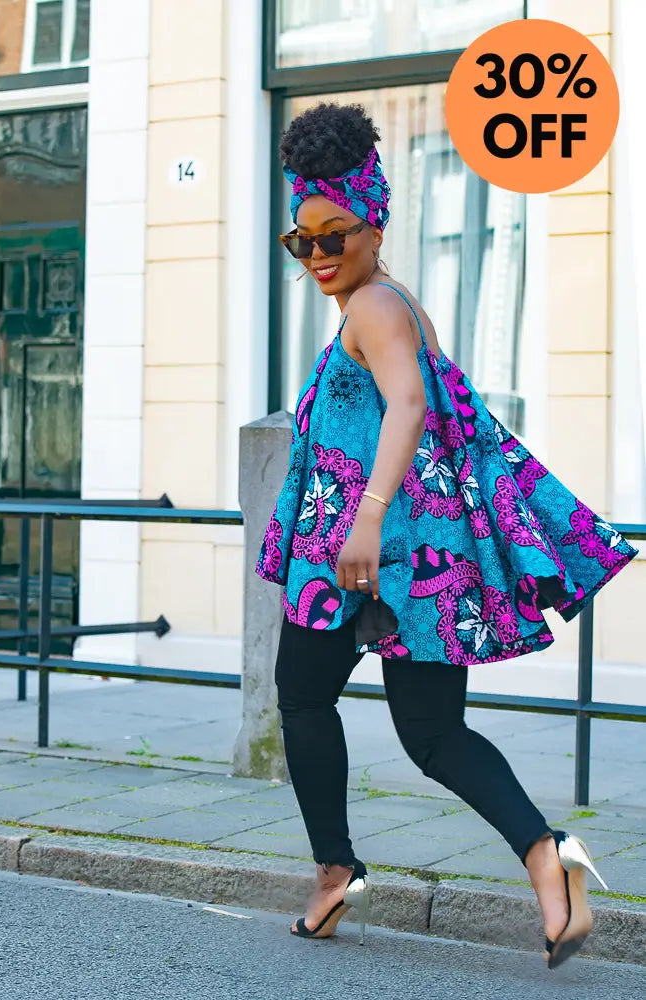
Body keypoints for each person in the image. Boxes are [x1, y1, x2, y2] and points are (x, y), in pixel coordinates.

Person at [254, 102, 638, 968]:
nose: (317, 255)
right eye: (300, 240)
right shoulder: (393, 304)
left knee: (305, 699)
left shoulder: (374, 307)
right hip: (414, 563)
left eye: (334, 236)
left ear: (374, 224)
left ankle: (336, 870)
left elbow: (408, 405)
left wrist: (366, 516)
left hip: (358, 555)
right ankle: (548, 858)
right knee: (431, 735)